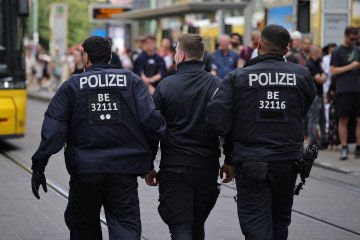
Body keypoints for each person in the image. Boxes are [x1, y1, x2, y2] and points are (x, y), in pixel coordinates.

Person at [31, 36, 166, 240]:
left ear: (85, 57)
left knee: (83, 225)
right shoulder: (132, 81)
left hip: (86, 171)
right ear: (110, 56)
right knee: (125, 225)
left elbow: (54, 128)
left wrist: (39, 165)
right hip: (123, 170)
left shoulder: (72, 86)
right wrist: (148, 161)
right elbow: (152, 122)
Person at [206, 24, 316, 240]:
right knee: (280, 220)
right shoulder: (302, 75)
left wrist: (230, 144)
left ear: (259, 44)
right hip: (288, 160)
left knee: (256, 224)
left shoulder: (238, 77)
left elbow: (216, 121)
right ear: (287, 49)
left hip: (251, 160)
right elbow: (304, 107)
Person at [146, 33, 233, 240]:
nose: (175, 55)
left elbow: (152, 130)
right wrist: (229, 161)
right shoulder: (217, 84)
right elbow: (230, 125)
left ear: (182, 56)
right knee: (196, 223)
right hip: (207, 167)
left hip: (175, 167)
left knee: (181, 226)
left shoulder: (165, 86)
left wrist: (148, 165)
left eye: (175, 52)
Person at [330, 26, 360, 160]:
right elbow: (333, 71)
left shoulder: (357, 50)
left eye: (355, 38)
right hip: (343, 90)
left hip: (357, 89)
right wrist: (350, 66)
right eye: (351, 38)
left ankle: (358, 147)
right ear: (346, 35)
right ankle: (344, 147)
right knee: (343, 120)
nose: (354, 40)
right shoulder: (337, 51)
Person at [306, 45, 327, 148]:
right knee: (314, 119)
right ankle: (313, 141)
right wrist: (322, 77)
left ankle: (323, 140)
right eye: (320, 52)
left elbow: (324, 76)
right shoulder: (310, 64)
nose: (321, 54)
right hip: (315, 96)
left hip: (320, 94)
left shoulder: (318, 64)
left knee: (322, 119)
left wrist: (323, 77)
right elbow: (319, 79)